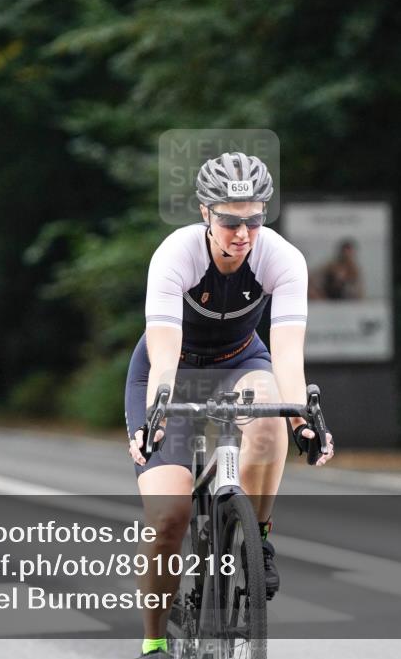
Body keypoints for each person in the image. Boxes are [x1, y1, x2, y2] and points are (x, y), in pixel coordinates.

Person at [124, 152, 334, 658]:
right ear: (205, 213)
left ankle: (256, 536)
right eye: (230, 220)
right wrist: (156, 413)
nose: (243, 233)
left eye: (255, 219)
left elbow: (286, 353)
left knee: (269, 423)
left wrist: (302, 417)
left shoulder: (281, 259)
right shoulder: (175, 255)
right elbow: (165, 352)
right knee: (168, 518)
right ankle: (153, 642)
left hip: (242, 361)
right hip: (173, 367)